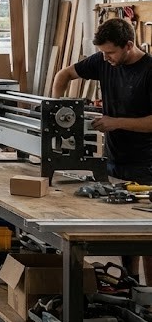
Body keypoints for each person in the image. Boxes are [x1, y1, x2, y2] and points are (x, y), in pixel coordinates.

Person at [52, 18, 152, 282]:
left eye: (110, 52)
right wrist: (58, 108)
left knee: (148, 238)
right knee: (125, 229)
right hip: (114, 159)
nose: (105, 57)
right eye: (103, 52)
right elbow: (63, 75)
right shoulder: (101, 61)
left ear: (128, 45)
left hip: (147, 164)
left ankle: (150, 300)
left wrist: (115, 122)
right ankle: (130, 286)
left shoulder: (149, 71)